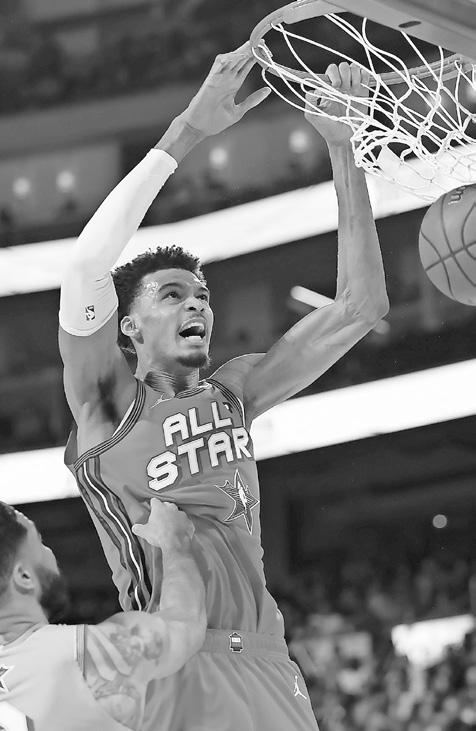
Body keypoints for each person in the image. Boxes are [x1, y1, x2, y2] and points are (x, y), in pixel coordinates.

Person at [59, 42, 389, 731]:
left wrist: (343, 145)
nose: (197, 305)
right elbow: (87, 263)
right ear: (127, 327)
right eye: (173, 295)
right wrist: (189, 130)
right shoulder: (105, 404)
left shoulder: (234, 391)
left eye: (203, 296)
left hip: (268, 662)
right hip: (177, 659)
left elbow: (360, 307)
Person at [0, 499, 206, 731]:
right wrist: (174, 541)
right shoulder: (83, 654)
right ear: (24, 577)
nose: (49, 551)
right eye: (39, 542)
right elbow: (186, 624)